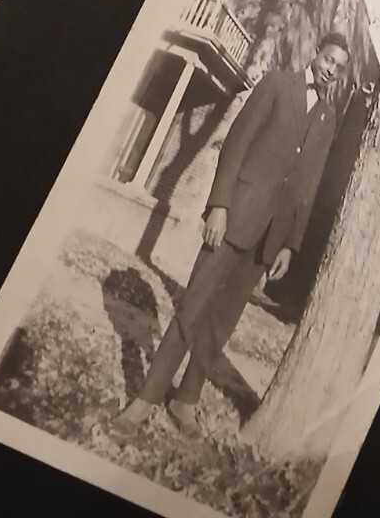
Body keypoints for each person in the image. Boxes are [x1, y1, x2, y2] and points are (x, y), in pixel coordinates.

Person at [112, 33, 351, 436]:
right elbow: (235, 143)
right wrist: (219, 207)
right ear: (316, 55)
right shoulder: (277, 84)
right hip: (234, 219)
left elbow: (307, 189)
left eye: (339, 67)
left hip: (268, 241)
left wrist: (290, 245)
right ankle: (144, 400)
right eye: (328, 59)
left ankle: (185, 401)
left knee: (221, 323)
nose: (331, 69)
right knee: (192, 308)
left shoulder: (328, 120)